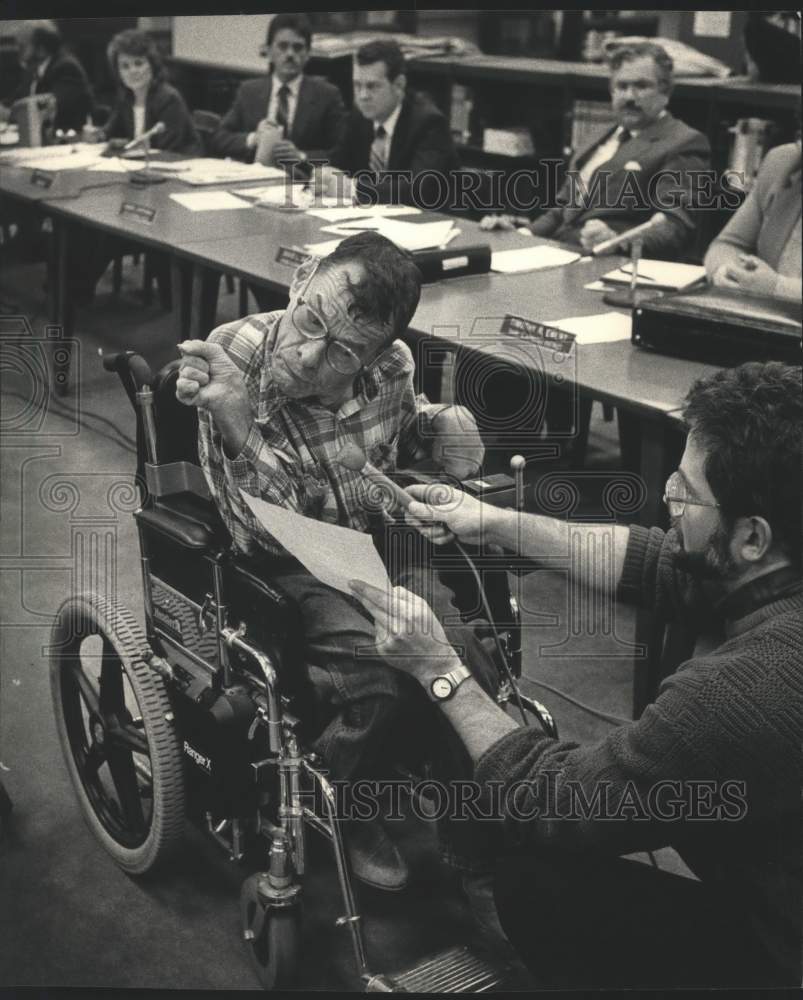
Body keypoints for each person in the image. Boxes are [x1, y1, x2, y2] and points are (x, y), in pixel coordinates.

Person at [349, 361, 803, 988]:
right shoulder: (776, 560)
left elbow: (553, 801)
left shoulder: (752, 688)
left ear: (753, 537)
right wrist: (494, 521)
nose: (668, 500)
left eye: (685, 493)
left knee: (538, 876)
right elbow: (656, 563)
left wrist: (440, 670)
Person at [176, 232, 498, 892]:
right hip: (280, 563)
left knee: (461, 652)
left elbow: (401, 432)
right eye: (309, 320)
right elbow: (264, 532)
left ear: (376, 353)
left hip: (367, 549)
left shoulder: (393, 366)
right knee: (383, 671)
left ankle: (476, 843)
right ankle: (341, 799)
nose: (307, 354)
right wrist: (237, 421)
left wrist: (437, 426)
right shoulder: (233, 354)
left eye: (344, 351)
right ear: (300, 280)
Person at [481, 41, 711, 258]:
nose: (629, 97)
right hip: (559, 254)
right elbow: (563, 211)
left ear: (665, 92)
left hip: (609, 264)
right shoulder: (598, 137)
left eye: (642, 86)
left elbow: (675, 227)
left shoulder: (684, 142)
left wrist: (618, 241)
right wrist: (521, 235)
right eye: (622, 86)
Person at [316, 38, 459, 209]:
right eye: (357, 85)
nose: (362, 96)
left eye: (372, 86)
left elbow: (418, 189)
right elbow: (338, 160)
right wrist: (324, 175)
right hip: (372, 219)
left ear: (399, 85)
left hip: (427, 223)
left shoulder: (429, 123)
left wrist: (353, 188)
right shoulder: (360, 117)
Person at [209, 13, 345, 168]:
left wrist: (301, 156)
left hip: (301, 183)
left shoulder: (327, 95)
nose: (290, 54)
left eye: (298, 47)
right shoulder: (249, 91)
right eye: (282, 46)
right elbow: (218, 138)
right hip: (254, 180)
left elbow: (341, 154)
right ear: (268, 51)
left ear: (308, 54)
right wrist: (254, 139)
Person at [705, 141, 802, 302]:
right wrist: (727, 273)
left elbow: (771, 287)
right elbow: (728, 244)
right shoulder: (783, 162)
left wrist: (777, 287)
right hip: (760, 318)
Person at [103, 28, 200, 154]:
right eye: (125, 66)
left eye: (138, 63)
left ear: (152, 64)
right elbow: (110, 133)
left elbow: (168, 150)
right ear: (118, 73)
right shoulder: (126, 97)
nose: (132, 71)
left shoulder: (169, 99)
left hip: (179, 165)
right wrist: (98, 135)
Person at [0, 20, 92, 133]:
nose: (18, 50)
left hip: (65, 142)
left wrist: (11, 115)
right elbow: (13, 102)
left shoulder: (66, 67)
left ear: (41, 48)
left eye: (22, 46)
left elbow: (49, 110)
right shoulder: (32, 70)